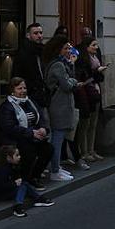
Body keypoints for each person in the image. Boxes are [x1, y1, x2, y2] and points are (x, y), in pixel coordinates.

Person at [0, 77, 52, 190]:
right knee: (29, 151)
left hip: (30, 136)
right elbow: (10, 128)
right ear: (12, 91)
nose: (23, 91)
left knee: (48, 149)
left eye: (24, 88)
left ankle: (34, 176)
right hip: (11, 140)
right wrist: (31, 132)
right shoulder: (6, 107)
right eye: (19, 88)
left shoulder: (30, 102)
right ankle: (25, 179)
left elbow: (40, 117)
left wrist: (43, 128)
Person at [0, 143, 55, 218]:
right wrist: (14, 183)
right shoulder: (3, 170)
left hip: (5, 190)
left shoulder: (12, 166)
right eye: (16, 155)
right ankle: (20, 205)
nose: (19, 157)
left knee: (24, 185)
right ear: (8, 158)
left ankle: (36, 199)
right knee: (23, 186)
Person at [44, 42, 78, 182]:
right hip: (59, 105)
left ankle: (56, 166)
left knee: (60, 137)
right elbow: (67, 84)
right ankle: (54, 170)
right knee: (57, 138)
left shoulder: (63, 63)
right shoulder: (57, 65)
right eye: (66, 48)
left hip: (61, 104)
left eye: (69, 48)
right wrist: (73, 81)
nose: (69, 51)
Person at [74, 37, 107, 165]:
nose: (96, 47)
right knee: (85, 124)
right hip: (86, 94)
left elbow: (99, 78)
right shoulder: (82, 60)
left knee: (93, 124)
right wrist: (95, 71)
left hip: (95, 92)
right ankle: (84, 151)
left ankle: (91, 149)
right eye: (93, 45)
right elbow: (84, 77)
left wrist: (99, 72)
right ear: (86, 47)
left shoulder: (95, 58)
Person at [17, 22, 50, 114]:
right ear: (28, 35)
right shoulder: (24, 52)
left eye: (41, 33)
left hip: (42, 94)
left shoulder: (42, 50)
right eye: (35, 33)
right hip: (30, 94)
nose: (39, 36)